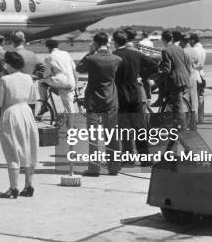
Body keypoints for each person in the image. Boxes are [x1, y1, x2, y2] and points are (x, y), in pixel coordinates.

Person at [76, 32, 123, 176]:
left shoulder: (91, 58)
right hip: (111, 101)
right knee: (112, 136)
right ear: (107, 42)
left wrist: (90, 52)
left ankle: (94, 168)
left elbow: (79, 68)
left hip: (93, 102)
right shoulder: (117, 59)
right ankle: (114, 167)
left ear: (95, 43)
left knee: (94, 137)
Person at [0, 51, 39, 198]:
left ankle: (13, 187)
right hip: (26, 112)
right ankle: (29, 185)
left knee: (12, 150)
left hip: (11, 114)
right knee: (29, 148)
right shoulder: (29, 78)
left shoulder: (4, 79)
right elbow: (33, 98)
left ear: (8, 64)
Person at [113, 30, 158, 164]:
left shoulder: (114, 56)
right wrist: (143, 76)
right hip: (136, 93)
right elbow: (154, 65)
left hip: (121, 95)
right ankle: (145, 158)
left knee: (125, 128)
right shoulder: (136, 54)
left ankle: (128, 158)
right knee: (140, 128)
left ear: (115, 42)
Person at [37, 39, 78, 123]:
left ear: (48, 48)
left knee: (41, 82)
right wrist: (76, 84)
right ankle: (70, 128)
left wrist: (41, 75)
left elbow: (46, 74)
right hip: (71, 82)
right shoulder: (66, 53)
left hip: (60, 82)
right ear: (58, 46)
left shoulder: (49, 57)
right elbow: (74, 70)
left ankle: (44, 103)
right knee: (70, 107)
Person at [159, 30, 191, 130]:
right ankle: (176, 123)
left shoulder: (166, 50)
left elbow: (167, 69)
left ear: (163, 39)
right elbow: (186, 64)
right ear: (172, 39)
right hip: (183, 78)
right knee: (177, 102)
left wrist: (158, 74)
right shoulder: (179, 48)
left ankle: (182, 127)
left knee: (178, 105)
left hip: (175, 80)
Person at [10, 30, 40, 113]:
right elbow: (42, 67)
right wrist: (37, 76)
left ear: (12, 41)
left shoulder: (10, 56)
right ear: (23, 40)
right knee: (31, 112)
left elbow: (6, 73)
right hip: (30, 87)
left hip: (16, 89)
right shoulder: (31, 54)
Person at [179, 35, 199, 130]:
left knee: (185, 101)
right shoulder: (194, 50)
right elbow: (197, 63)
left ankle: (185, 123)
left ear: (183, 42)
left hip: (186, 77)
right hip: (193, 76)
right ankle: (194, 123)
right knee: (194, 101)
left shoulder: (183, 52)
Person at [189, 34, 206, 124]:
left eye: (189, 40)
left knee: (194, 99)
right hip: (202, 74)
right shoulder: (203, 50)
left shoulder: (193, 50)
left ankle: (194, 119)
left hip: (195, 75)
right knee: (201, 97)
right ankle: (201, 118)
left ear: (192, 40)